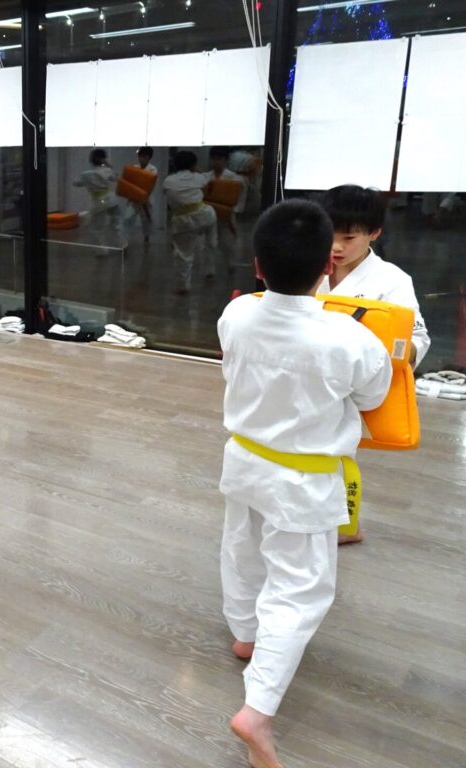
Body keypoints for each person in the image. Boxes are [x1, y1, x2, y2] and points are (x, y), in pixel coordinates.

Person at [218, 199, 391, 768]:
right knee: (299, 589)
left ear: (257, 266)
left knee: (242, 548)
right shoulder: (348, 338)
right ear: (327, 267)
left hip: (244, 460)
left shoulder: (236, 314)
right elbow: (372, 395)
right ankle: (257, 710)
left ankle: (246, 635)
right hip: (304, 480)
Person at [320, 183, 430, 544]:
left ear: (374, 234)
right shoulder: (309, 265)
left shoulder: (391, 280)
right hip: (309, 376)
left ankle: (343, 526)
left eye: (348, 238)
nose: (336, 247)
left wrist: (393, 354)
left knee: (338, 452)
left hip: (355, 382)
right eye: (330, 235)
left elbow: (417, 338)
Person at [163, 151, 217, 295]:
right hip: (205, 215)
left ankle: (183, 285)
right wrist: (195, 170)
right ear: (194, 164)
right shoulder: (199, 177)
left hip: (182, 221)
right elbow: (206, 185)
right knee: (210, 243)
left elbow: (167, 194)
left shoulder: (168, 181)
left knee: (184, 254)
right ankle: (210, 270)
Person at [73, 148, 126, 253]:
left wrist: (88, 182)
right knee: (116, 224)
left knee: (96, 228)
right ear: (104, 159)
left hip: (100, 201)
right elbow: (116, 178)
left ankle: (102, 250)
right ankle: (123, 244)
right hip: (112, 199)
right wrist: (109, 166)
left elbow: (75, 183)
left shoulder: (86, 174)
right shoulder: (107, 170)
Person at [204, 146, 246, 276]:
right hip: (209, 213)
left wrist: (235, 211)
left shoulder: (235, 178)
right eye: (214, 159)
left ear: (226, 160)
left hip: (227, 214)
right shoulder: (205, 177)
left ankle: (231, 262)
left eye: (220, 159)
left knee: (227, 241)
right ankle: (209, 269)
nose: (216, 162)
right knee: (209, 242)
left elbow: (240, 196)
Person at [128, 146, 158, 244]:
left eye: (144, 156)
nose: (141, 158)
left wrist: (145, 196)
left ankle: (146, 237)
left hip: (146, 198)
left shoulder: (153, 169)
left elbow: (151, 185)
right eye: (140, 156)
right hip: (134, 198)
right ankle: (126, 238)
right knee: (129, 217)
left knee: (146, 220)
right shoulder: (135, 167)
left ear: (149, 158)